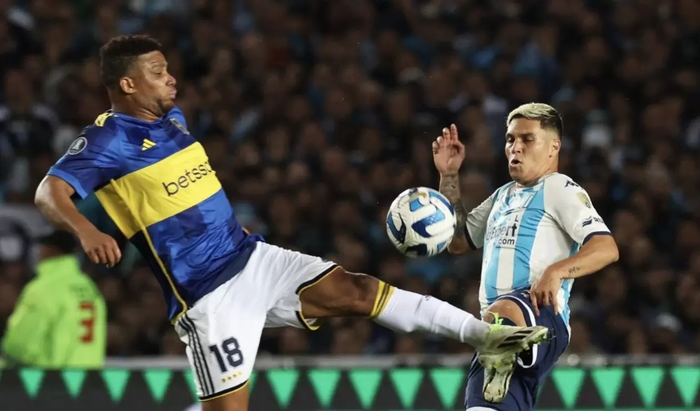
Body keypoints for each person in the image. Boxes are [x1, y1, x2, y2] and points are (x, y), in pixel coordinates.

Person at [34, 35, 547, 411]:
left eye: (168, 68)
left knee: (356, 289)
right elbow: (48, 192)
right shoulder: (107, 140)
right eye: (157, 71)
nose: (171, 77)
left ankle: (484, 336)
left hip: (252, 257)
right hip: (208, 295)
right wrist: (87, 230)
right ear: (127, 83)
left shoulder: (173, 121)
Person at [432, 105, 619, 410]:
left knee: (502, 312)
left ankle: (502, 347)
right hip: (495, 337)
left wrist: (556, 271)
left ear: (553, 147)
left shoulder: (559, 188)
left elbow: (606, 247)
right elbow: (457, 242)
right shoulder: (502, 195)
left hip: (539, 316)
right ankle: (501, 356)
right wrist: (449, 175)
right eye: (510, 139)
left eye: (527, 139)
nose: (515, 147)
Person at [1, 230, 106, 368]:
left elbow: (19, 345)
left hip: (52, 377)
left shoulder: (44, 288)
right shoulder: (89, 287)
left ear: (49, 250)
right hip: (88, 376)